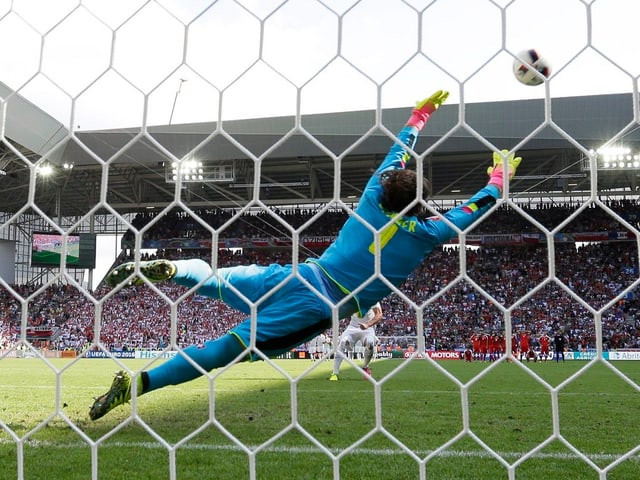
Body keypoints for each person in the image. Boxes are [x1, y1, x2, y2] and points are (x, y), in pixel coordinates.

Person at [89, 89, 523, 421]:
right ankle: (138, 384)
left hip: (300, 274)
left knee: (216, 280)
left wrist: (419, 117)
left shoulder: (373, 196)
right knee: (225, 350)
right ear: (420, 203)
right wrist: (499, 176)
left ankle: (177, 269)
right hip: (318, 303)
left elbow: (399, 152)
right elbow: (477, 207)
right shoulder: (429, 233)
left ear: (388, 187)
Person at [329, 302, 382, 380]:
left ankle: (365, 367)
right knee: (343, 342)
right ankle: (335, 373)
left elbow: (379, 315)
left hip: (368, 328)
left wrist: (367, 324)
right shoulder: (352, 297)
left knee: (370, 344)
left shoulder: (372, 297)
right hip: (352, 327)